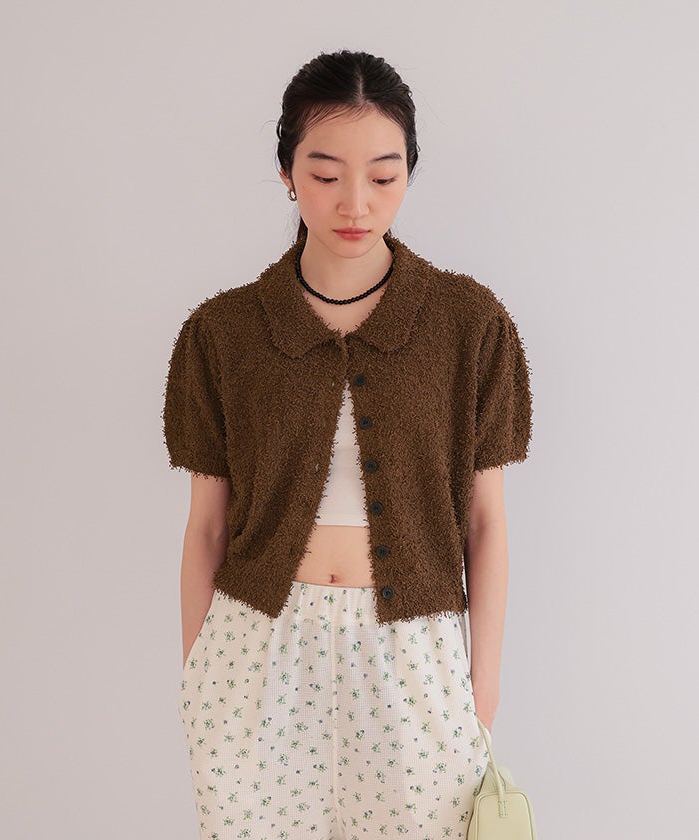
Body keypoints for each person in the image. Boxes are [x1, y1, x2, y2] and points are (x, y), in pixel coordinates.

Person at [163, 49, 533, 840]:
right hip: (255, 655)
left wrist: (482, 688)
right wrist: (199, 680)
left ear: (410, 173)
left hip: (415, 659)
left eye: (384, 176)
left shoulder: (470, 325)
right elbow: (206, 528)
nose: (355, 202)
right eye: (326, 174)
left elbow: (487, 522)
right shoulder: (222, 333)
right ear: (287, 173)